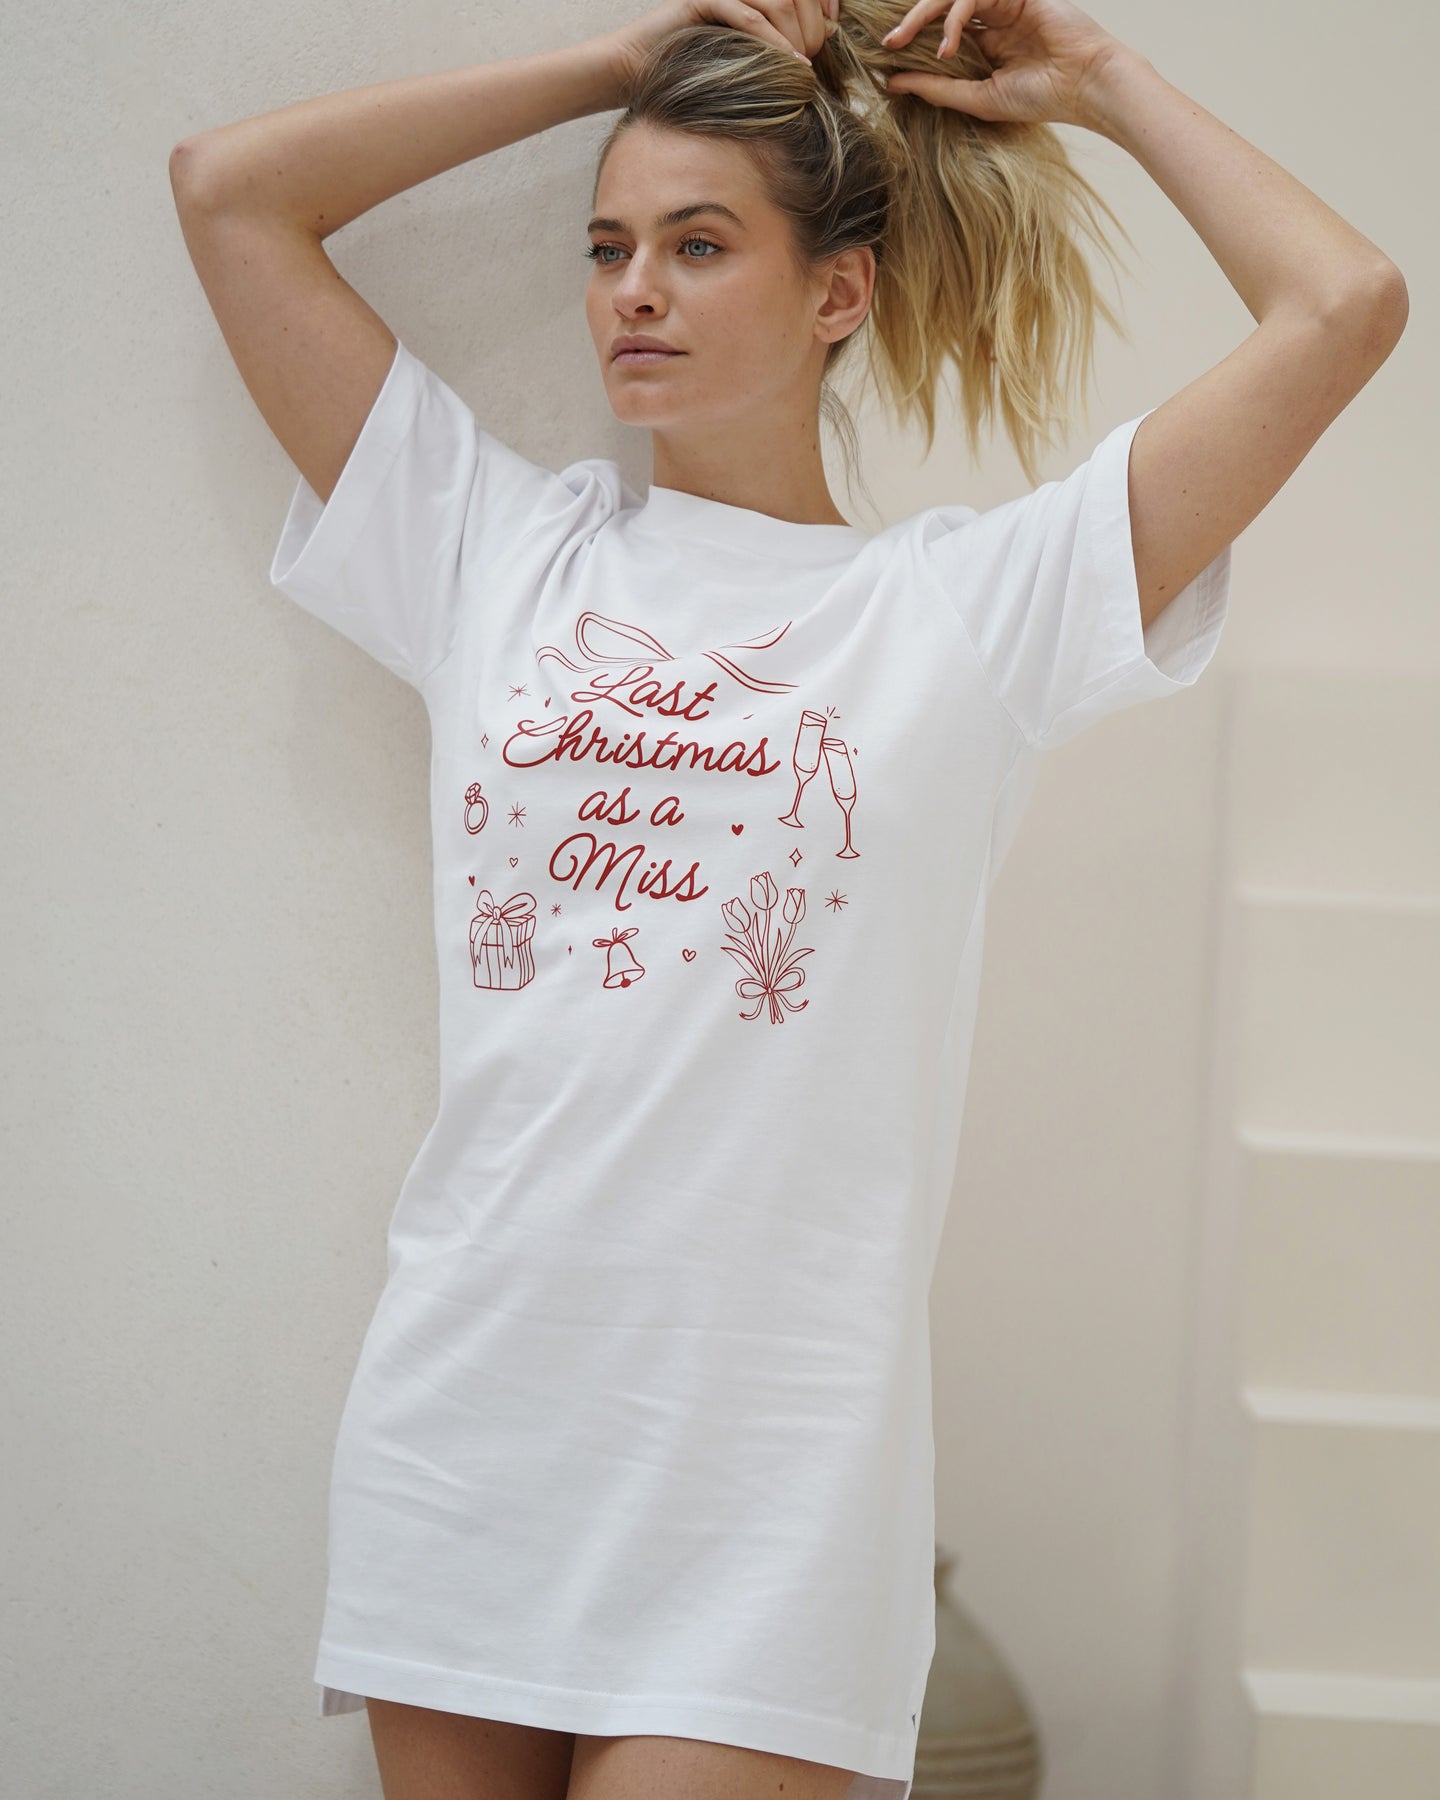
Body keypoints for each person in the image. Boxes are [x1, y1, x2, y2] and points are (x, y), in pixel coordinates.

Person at [168, 1, 1406, 1795]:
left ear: (839, 291)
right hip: (474, 1428)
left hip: (770, 1480)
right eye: (607, 247)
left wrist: (1107, 84)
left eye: (697, 245)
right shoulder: (492, 552)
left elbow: (1343, 304)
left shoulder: (969, 612)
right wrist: (618, 67)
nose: (632, 292)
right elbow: (231, 194)